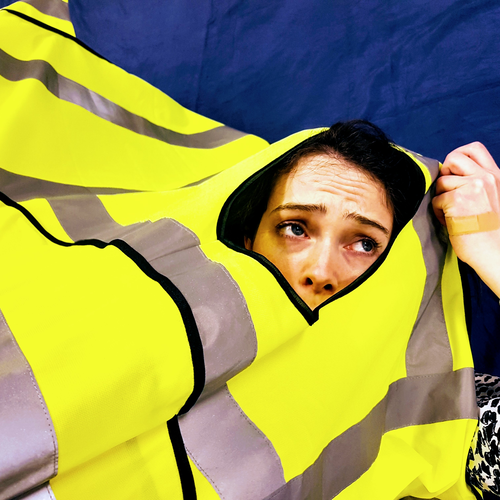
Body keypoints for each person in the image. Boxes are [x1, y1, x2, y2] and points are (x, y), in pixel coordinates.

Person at [228, 120, 500, 497]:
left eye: (365, 244)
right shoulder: (171, 349)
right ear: (248, 241)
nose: (321, 271)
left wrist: (493, 253)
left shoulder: (446, 407)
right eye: (295, 228)